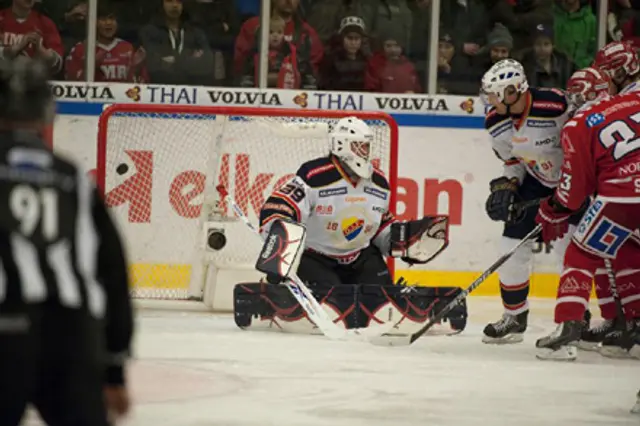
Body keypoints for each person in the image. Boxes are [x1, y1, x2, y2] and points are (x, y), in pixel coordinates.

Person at [0, 57, 133, 425]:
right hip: (71, 334)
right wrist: (114, 368)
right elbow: (113, 270)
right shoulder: (72, 175)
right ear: (47, 112)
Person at [236, 117, 462, 332]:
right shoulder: (314, 175)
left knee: (381, 297)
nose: (365, 152)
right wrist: (280, 238)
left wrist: (404, 239)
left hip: (360, 256)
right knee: (335, 298)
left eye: (366, 146)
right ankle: (281, 297)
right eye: (359, 146)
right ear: (343, 145)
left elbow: (379, 225)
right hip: (316, 257)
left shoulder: (379, 183)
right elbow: (280, 205)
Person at [535, 66, 640, 361]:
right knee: (630, 251)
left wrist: (552, 209)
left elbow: (573, 194)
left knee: (581, 254)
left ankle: (566, 333)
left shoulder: (578, 124)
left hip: (621, 197)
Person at [480, 58, 582, 344]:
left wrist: (577, 188)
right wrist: (508, 185)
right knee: (509, 246)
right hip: (536, 182)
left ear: (510, 92)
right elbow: (514, 160)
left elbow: (586, 141)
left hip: (576, 181)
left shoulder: (556, 106)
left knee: (569, 250)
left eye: (492, 94)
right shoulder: (495, 122)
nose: (488, 101)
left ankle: (577, 319)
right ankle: (515, 316)